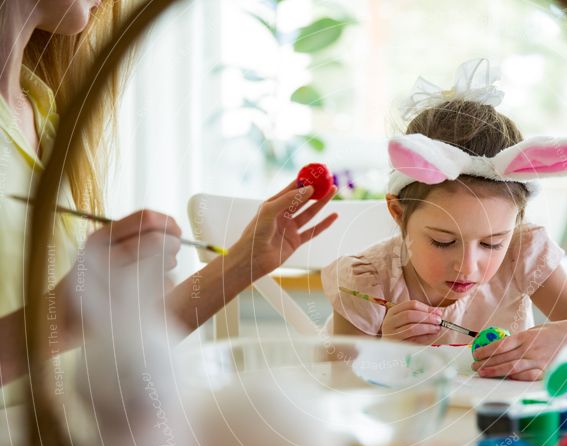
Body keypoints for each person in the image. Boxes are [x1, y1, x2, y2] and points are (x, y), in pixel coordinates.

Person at [0, 1, 337, 398]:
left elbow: (106, 336)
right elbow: (62, 326)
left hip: (76, 442)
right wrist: (63, 314)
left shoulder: (43, 111)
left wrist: (245, 261)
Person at [322, 59, 567, 381]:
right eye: (444, 241)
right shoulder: (368, 284)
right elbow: (333, 388)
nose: (467, 267)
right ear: (398, 213)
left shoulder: (522, 256)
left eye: (492, 243)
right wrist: (386, 354)